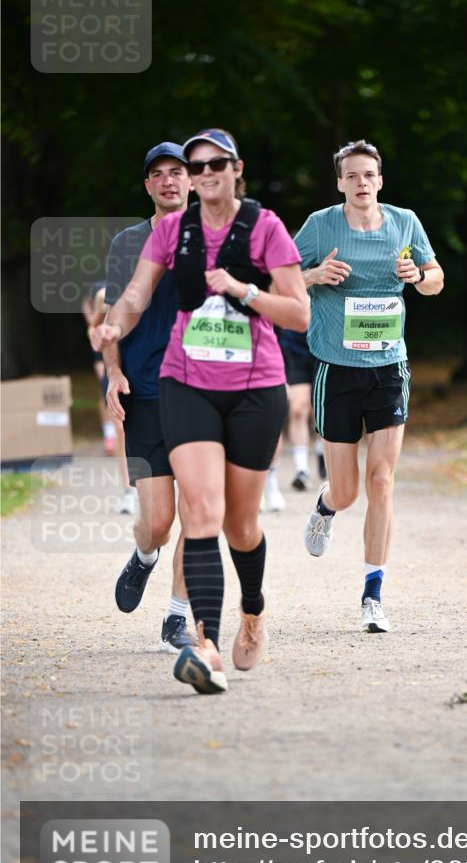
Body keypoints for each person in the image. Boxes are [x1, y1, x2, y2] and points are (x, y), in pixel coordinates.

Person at [93, 128, 309, 695]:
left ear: (235, 168)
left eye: (214, 164)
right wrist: (114, 332)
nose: (200, 173)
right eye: (193, 165)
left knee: (238, 524)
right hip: (174, 384)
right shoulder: (166, 232)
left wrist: (244, 290)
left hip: (250, 387)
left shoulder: (264, 228)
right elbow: (133, 296)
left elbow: (298, 313)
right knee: (192, 515)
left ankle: (251, 612)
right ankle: (203, 643)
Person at [295, 139, 443, 633]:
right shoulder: (320, 225)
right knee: (348, 490)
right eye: (353, 176)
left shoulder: (404, 221)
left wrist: (418, 274)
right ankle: (325, 506)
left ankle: (372, 596)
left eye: (370, 175)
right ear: (340, 182)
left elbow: (436, 280)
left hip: (388, 367)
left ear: (380, 180)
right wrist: (314, 274)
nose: (362, 183)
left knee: (382, 480)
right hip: (336, 369)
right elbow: (279, 279)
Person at [96, 142, 193, 652]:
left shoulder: (215, 237)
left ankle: (176, 619)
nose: (169, 181)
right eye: (158, 174)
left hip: (202, 391)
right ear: (148, 186)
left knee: (200, 512)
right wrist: (112, 373)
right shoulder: (128, 242)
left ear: (193, 180)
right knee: (158, 522)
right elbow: (114, 314)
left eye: (177, 172)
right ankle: (145, 555)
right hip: (146, 391)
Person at [82, 281, 136, 514]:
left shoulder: (144, 288)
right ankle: (129, 491)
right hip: (115, 368)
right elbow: (93, 329)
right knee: (121, 430)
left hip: (141, 365)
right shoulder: (104, 297)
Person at [262, 328, 327, 512]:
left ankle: (323, 455)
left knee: (322, 407)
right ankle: (302, 470)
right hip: (294, 350)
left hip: (325, 349)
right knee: (298, 409)